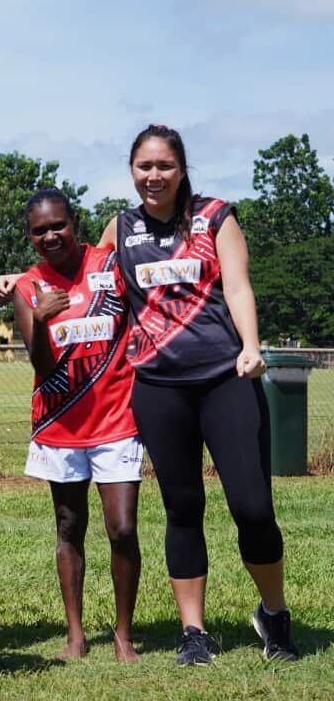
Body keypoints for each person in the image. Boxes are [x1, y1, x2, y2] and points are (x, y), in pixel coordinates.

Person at [110, 125, 295, 664]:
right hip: (159, 387)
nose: (153, 176)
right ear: (132, 171)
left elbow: (237, 285)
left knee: (253, 507)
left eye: (163, 165)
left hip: (225, 379)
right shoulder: (121, 227)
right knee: (183, 506)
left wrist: (252, 345)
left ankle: (274, 615)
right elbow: (83, 278)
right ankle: (194, 633)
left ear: (181, 168)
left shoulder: (215, 215)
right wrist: (20, 281)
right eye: (143, 166)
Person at [11, 188, 141, 662]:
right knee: (70, 525)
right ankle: (76, 634)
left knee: (122, 527)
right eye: (39, 230)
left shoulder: (109, 265)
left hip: (117, 417)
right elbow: (42, 366)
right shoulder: (29, 287)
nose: (50, 236)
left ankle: (124, 634)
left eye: (57, 225)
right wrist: (42, 321)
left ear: (75, 224)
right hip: (60, 425)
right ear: (30, 237)